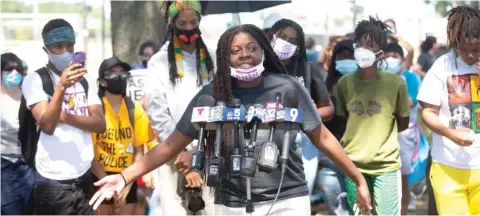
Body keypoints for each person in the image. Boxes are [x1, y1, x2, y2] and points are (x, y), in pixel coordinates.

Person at [89, 24, 373, 215]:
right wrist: (125, 176)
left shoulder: (288, 87)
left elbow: (322, 137)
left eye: (251, 48)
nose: (245, 55)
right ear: (224, 57)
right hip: (232, 204)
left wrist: (357, 178)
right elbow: (169, 146)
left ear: (263, 50)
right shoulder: (210, 96)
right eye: (235, 51)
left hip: (288, 199)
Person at [417, 6, 480, 215]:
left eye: (477, 50)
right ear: (456, 40)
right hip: (447, 166)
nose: (471, 55)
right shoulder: (442, 65)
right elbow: (428, 112)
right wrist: (451, 134)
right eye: (465, 49)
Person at [20, 18, 105, 214]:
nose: (66, 51)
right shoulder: (35, 80)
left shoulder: (85, 80)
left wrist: (65, 116)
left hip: (84, 175)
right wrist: (61, 87)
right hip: (52, 181)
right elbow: (48, 126)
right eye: (58, 47)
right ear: (46, 50)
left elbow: (100, 124)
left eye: (70, 45)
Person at [144, 1, 215, 215]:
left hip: (209, 149)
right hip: (173, 153)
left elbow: (220, 105)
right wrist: (181, 150)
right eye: (182, 22)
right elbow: (157, 112)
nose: (188, 27)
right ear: (172, 22)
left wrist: (198, 151)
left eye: (193, 21)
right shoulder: (158, 62)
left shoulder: (213, 58)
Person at [335, 16, 410, 215]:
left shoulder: (396, 84)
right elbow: (344, 121)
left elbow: (403, 122)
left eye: (371, 46)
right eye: (361, 45)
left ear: (381, 54)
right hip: (353, 165)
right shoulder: (344, 84)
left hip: (386, 166)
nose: (364, 50)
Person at [267, 18, 334, 201]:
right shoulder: (259, 68)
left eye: (293, 41)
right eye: (282, 37)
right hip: (266, 141)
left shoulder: (308, 70)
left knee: (300, 199)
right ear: (270, 35)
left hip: (303, 144)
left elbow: (328, 109)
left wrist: (306, 115)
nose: (286, 43)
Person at [90, 57, 150, 215]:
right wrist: (106, 184)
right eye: (113, 73)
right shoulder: (96, 110)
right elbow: (90, 155)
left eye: (122, 73)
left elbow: (139, 151)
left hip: (127, 176)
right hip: (99, 176)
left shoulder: (134, 109)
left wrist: (127, 183)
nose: (119, 77)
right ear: (103, 82)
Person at [382, 42, 422, 215]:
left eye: (394, 56)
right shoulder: (378, 76)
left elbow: (410, 102)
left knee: (403, 178)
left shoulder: (411, 78)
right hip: (381, 131)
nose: (391, 59)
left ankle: (403, 211)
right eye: (388, 55)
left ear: (402, 59)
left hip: (404, 133)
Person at [320, 39, 357, 215]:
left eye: (350, 55)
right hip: (332, 154)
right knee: (335, 202)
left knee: (357, 202)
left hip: (357, 152)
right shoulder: (325, 86)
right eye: (341, 56)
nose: (346, 59)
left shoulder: (365, 85)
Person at [1, 53, 34, 215]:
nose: (13, 73)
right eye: (8, 69)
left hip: (28, 166)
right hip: (4, 167)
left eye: (17, 69)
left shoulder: (30, 98)